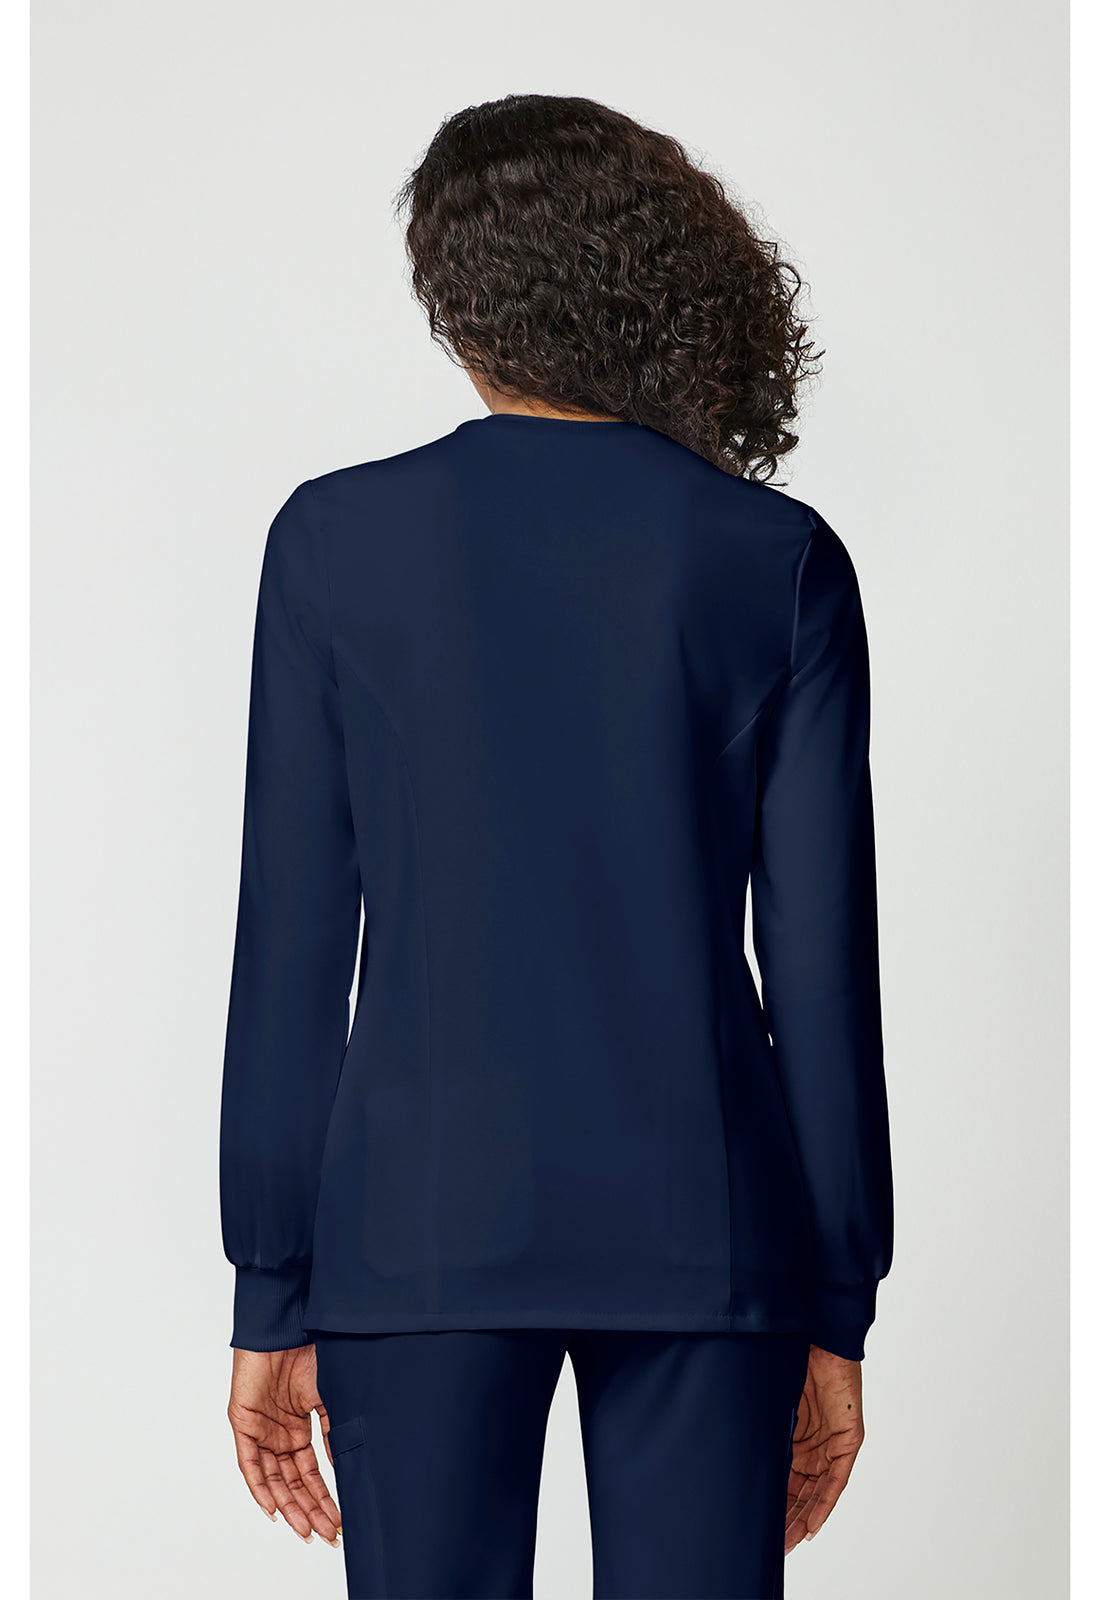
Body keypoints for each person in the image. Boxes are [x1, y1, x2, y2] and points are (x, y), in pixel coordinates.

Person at [219, 93, 893, 1600]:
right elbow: (823, 969)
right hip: (713, 1230)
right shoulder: (775, 558)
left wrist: (271, 1286)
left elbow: (290, 948)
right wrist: (836, 1300)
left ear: (457, 300)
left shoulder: (332, 544)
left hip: (414, 1226)